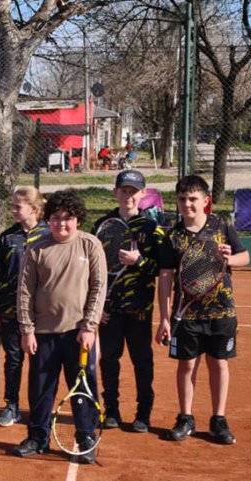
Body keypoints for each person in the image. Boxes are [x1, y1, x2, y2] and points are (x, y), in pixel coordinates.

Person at [13, 189, 107, 464]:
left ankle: (86, 437)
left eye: (67, 218)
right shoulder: (37, 247)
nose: (61, 224)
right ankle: (37, 437)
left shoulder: (90, 245)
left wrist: (89, 327)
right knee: (41, 389)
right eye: (55, 218)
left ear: (77, 219)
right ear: (48, 219)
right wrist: (27, 329)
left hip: (78, 334)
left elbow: (98, 288)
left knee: (82, 388)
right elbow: (25, 292)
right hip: (43, 334)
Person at [155, 175, 249, 444]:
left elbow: (245, 257)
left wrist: (230, 257)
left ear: (206, 201)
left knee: (218, 363)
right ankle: (185, 418)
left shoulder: (221, 225)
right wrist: (164, 318)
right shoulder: (171, 236)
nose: (187, 204)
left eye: (193, 199)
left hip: (221, 312)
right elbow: (165, 278)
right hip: (186, 315)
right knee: (186, 365)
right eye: (183, 199)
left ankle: (218, 420)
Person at [93, 170, 163, 433]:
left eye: (134, 192)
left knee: (142, 361)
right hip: (109, 311)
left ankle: (143, 414)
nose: (128, 196)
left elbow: (162, 270)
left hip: (140, 311)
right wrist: (97, 307)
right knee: (109, 360)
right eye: (124, 191)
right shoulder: (102, 225)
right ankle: (111, 410)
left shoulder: (151, 229)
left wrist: (140, 261)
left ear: (143, 194)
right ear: (116, 193)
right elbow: (91, 269)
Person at [0, 186, 48, 427]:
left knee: (40, 361)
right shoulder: (7, 237)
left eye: (17, 206)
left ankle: (38, 406)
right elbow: (1, 275)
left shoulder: (48, 235)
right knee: (13, 359)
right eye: (12, 205)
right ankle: (11, 404)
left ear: (34, 209)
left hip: (41, 313)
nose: (13, 210)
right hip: (11, 311)